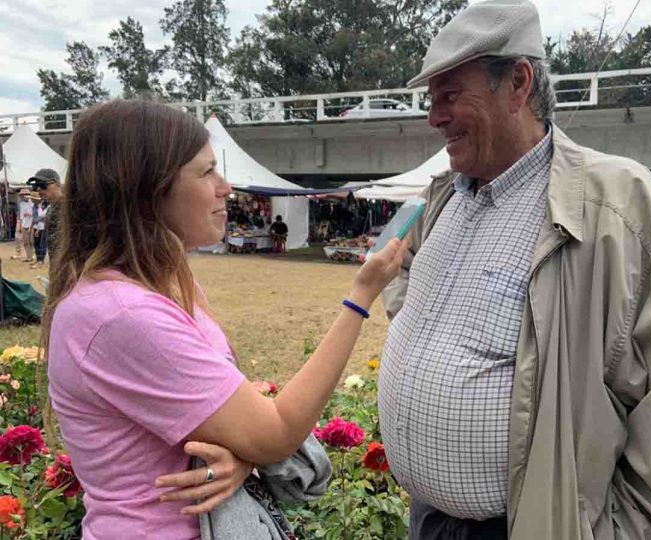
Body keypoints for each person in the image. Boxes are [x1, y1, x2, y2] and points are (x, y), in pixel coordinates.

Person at [378, 1, 651, 538]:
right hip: (428, 522)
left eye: (450, 96)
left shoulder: (617, 205)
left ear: (519, 82)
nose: (433, 117)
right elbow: (402, 277)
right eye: (431, 100)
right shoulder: (444, 198)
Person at [43, 99, 406, 539]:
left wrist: (245, 454)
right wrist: (360, 297)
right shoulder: (123, 314)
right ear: (149, 188)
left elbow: (226, 417)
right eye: (206, 172)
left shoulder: (160, 287)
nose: (226, 187)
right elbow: (274, 434)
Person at [27, 168, 64, 267]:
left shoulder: (69, 207)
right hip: (56, 267)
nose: (39, 189)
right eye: (36, 186)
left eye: (43, 185)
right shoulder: (50, 210)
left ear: (56, 184)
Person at [16, 188, 35, 262]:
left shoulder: (32, 203)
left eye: (25, 195)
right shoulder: (21, 204)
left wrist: (29, 214)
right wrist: (20, 226)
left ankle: (33, 255)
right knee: (25, 242)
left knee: (31, 241)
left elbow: (35, 215)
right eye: (22, 195)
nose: (24, 196)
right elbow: (21, 216)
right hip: (24, 224)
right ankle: (28, 256)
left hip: (31, 224)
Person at [31, 197, 47, 269]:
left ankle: (40, 261)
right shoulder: (35, 207)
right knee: (36, 244)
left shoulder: (43, 207)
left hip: (42, 227)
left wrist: (37, 229)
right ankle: (38, 260)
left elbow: (41, 218)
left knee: (41, 244)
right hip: (37, 227)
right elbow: (35, 218)